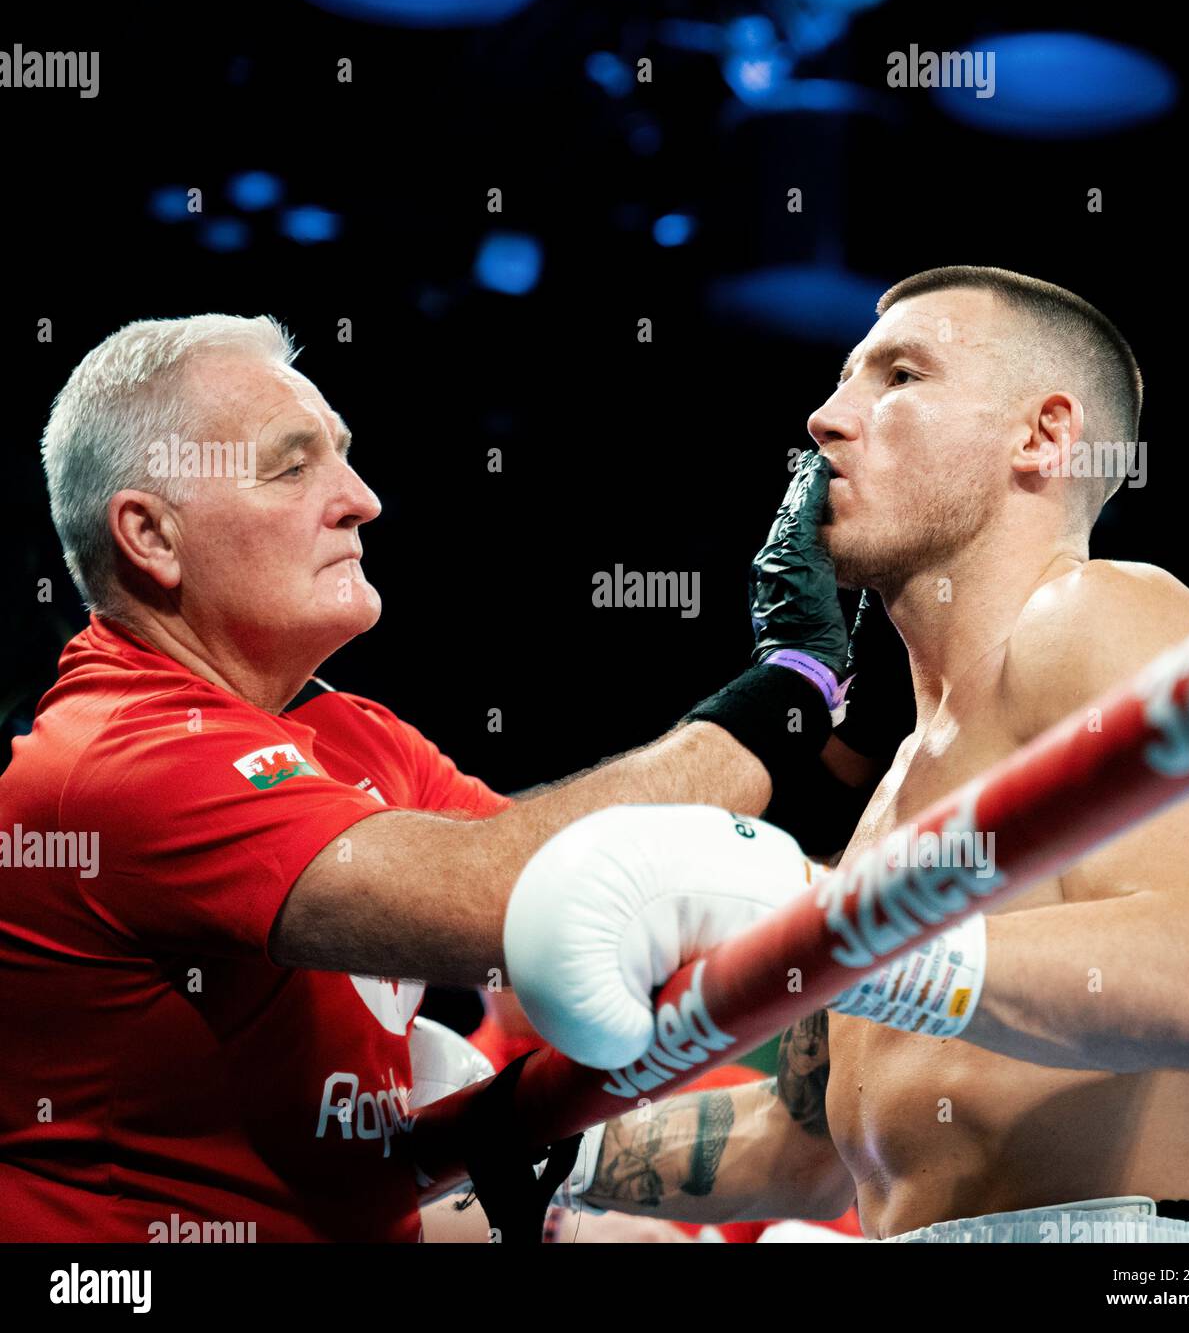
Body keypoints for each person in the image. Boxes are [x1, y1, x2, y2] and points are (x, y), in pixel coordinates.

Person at [0, 314, 868, 1241]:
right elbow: (539, 900)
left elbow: (567, 922)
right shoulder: (119, 758)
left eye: (344, 456)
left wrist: (844, 907)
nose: (361, 499)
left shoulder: (351, 735)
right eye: (293, 467)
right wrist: (792, 684)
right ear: (151, 536)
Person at [508, 267, 1189, 1244]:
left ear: (1041, 436)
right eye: (840, 382)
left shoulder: (1109, 610)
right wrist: (541, 1142)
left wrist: (843, 932)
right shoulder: (893, 793)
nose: (825, 419)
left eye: (900, 376)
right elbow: (798, 1150)